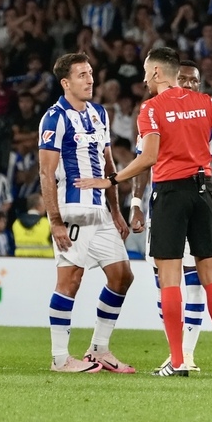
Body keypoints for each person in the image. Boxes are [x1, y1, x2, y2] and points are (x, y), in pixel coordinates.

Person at [76, 47, 212, 377]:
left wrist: (111, 179)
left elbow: (148, 158)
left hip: (171, 194)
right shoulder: (206, 103)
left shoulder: (151, 109)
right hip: (204, 194)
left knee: (170, 279)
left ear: (158, 73)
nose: (143, 79)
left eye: (146, 72)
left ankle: (177, 361)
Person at [129, 60, 212, 375]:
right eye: (184, 79)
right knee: (183, 278)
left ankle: (182, 355)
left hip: (174, 198)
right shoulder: (199, 111)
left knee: (186, 281)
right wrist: (136, 202)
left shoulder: (176, 111)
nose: (189, 85)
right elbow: (143, 162)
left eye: (195, 80)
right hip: (191, 198)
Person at [39, 52, 135, 374]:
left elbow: (108, 166)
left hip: (100, 211)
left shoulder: (98, 113)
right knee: (70, 281)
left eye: (91, 73)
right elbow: (45, 173)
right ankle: (59, 358)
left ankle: (99, 349)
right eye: (82, 75)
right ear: (66, 82)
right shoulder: (54, 118)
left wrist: (116, 211)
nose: (90, 79)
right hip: (72, 209)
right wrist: (55, 221)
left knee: (122, 276)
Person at [12, 193, 54, 258]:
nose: (45, 208)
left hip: (21, 260)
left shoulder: (16, 223)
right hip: (44, 261)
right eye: (44, 205)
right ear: (38, 206)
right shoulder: (47, 223)